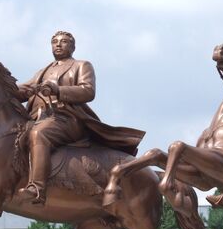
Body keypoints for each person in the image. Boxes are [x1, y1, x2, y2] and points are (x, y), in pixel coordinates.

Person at [17, 31, 145, 203]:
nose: (58, 44)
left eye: (63, 42)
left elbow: (88, 91)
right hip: (37, 118)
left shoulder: (81, 65)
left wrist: (58, 90)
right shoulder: (42, 71)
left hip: (67, 119)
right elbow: (20, 91)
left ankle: (37, 188)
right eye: (54, 41)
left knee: (39, 134)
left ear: (73, 46)